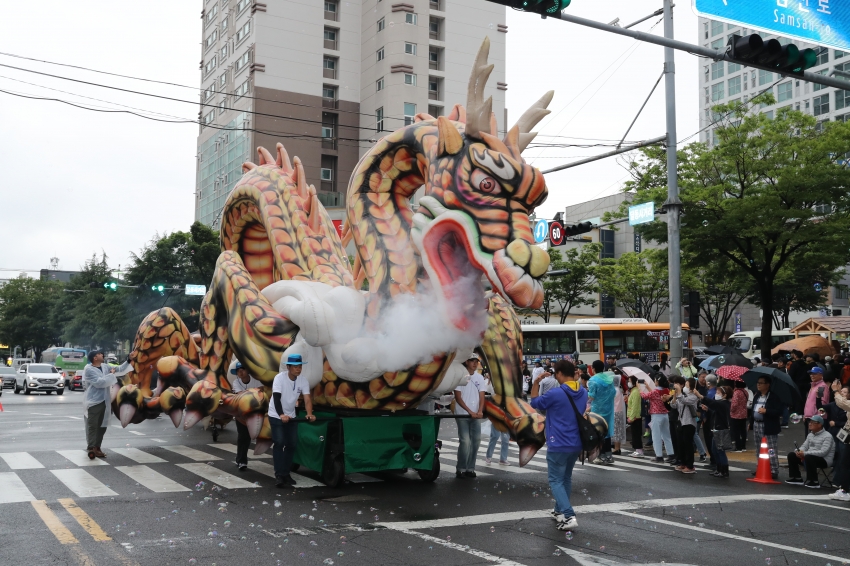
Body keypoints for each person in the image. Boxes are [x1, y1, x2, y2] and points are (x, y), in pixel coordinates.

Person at [529, 360, 587, 531]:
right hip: (576, 442)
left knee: (555, 479)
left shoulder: (556, 393)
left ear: (560, 373)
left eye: (555, 373)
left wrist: (536, 382)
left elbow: (534, 403)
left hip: (558, 442)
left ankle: (568, 515)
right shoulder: (583, 392)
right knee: (566, 478)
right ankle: (558, 510)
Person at [269, 354, 315, 487]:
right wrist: (281, 414)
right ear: (288, 367)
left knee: (292, 444)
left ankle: (286, 473)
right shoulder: (279, 378)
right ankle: (279, 475)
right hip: (276, 414)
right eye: (295, 367)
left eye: (300, 366)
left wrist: (310, 414)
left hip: (291, 415)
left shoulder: (303, 380)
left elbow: (307, 399)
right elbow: (276, 398)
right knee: (279, 442)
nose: (298, 369)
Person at [454, 353, 486, 478]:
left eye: (476, 361)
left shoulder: (480, 378)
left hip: (476, 414)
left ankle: (470, 468)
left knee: (476, 441)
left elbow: (482, 395)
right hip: (462, 414)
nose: (475, 363)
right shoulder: (460, 377)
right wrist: (469, 411)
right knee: (465, 441)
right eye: (472, 360)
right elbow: (458, 397)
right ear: (466, 362)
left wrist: (480, 410)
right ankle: (461, 468)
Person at [83, 351, 117, 460]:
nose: (102, 354)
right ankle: (91, 448)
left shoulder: (105, 366)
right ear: (95, 357)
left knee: (102, 426)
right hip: (94, 401)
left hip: (105, 400)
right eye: (99, 354)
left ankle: (97, 447)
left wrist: (129, 360)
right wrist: (111, 374)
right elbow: (100, 383)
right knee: (93, 425)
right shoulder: (89, 369)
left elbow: (119, 368)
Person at [785, 415, 836, 488]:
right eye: (809, 422)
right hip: (810, 456)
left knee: (809, 457)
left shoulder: (827, 436)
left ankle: (814, 481)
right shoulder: (810, 435)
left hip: (824, 460)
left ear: (820, 425)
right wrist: (798, 451)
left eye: (813, 422)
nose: (810, 424)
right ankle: (796, 478)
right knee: (792, 455)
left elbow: (823, 452)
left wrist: (805, 454)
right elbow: (804, 446)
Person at [231, 361, 263, 471]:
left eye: (243, 369)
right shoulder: (236, 382)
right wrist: (253, 393)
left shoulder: (256, 380)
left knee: (250, 436)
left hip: (256, 412)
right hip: (241, 414)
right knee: (243, 436)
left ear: (247, 370)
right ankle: (241, 460)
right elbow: (241, 397)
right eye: (238, 371)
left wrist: (249, 394)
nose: (240, 372)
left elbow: (261, 391)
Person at [695, 385, 732, 478]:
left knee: (720, 451)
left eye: (718, 393)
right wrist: (707, 409)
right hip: (716, 429)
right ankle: (719, 469)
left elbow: (712, 403)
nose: (716, 394)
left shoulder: (724, 403)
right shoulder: (721, 404)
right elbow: (714, 410)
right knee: (715, 450)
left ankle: (724, 470)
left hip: (721, 430)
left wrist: (700, 396)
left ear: (724, 395)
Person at [751, 375, 784, 480]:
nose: (758, 384)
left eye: (761, 383)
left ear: (767, 385)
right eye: (758, 382)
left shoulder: (774, 397)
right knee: (758, 447)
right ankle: (760, 466)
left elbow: (779, 411)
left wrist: (767, 411)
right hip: (757, 423)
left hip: (768, 425)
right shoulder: (757, 396)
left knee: (771, 448)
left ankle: (774, 469)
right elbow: (753, 409)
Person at [640, 374, 676, 463]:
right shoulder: (666, 390)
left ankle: (659, 456)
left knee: (656, 436)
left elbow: (645, 396)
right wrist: (647, 386)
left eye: (655, 380)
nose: (654, 381)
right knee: (666, 436)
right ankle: (671, 454)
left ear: (658, 381)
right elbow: (653, 394)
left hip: (656, 416)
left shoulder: (655, 392)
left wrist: (639, 388)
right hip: (665, 415)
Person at [587, 362, 616, 465]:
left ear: (593, 368)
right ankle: (608, 456)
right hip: (608, 409)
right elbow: (614, 393)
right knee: (606, 432)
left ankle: (600, 456)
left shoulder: (593, 380)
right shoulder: (609, 379)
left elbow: (591, 396)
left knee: (598, 432)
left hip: (597, 410)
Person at [670, 378, 699, 473]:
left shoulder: (693, 396)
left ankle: (690, 466)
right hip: (681, 422)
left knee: (688, 444)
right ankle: (682, 463)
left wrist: (678, 392)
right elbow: (674, 406)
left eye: (686, 385)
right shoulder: (682, 395)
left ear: (691, 387)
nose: (685, 387)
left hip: (689, 423)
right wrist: (674, 396)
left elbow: (684, 401)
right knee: (681, 444)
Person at [828, 385, 850, 501]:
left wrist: (836, 391)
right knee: (845, 462)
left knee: (845, 463)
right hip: (847, 434)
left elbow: (843, 404)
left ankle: (845, 490)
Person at [483, 373, 510, 465]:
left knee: (506, 439)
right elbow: (487, 388)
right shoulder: (493, 388)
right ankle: (488, 456)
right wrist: (490, 379)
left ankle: (503, 459)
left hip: (506, 416)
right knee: (494, 436)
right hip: (496, 415)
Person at [626, 375, 644, 457]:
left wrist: (631, 417)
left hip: (635, 416)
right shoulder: (633, 391)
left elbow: (635, 406)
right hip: (633, 416)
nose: (628, 382)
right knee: (634, 433)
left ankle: (639, 450)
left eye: (629, 381)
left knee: (636, 434)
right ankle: (637, 450)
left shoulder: (636, 392)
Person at [730, 381, 749, 452]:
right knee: (743, 430)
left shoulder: (736, 392)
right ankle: (743, 446)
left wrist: (731, 410)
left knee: (736, 431)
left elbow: (734, 404)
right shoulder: (745, 392)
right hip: (744, 413)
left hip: (736, 414)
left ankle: (738, 447)